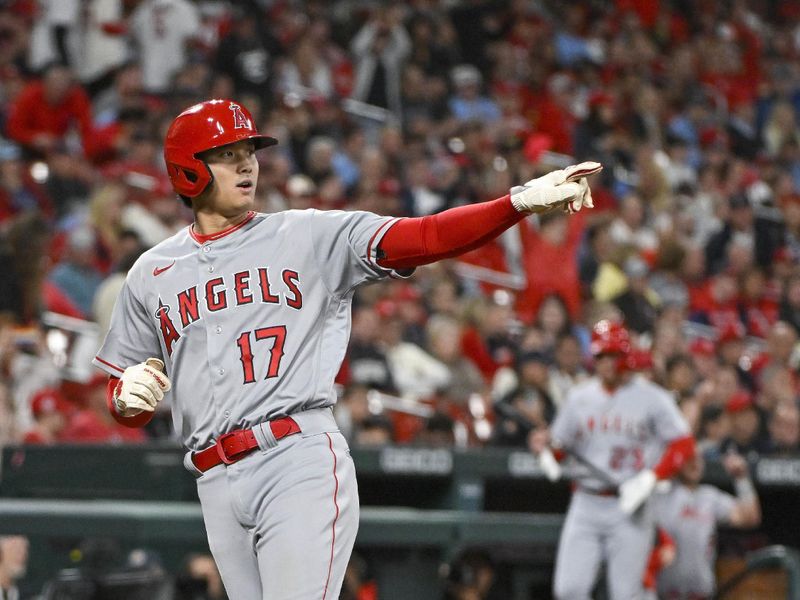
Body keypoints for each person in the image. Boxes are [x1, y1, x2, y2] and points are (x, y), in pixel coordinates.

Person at [91, 98, 601, 599]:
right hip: (213, 478)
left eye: (250, 150)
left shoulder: (309, 234)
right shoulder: (150, 273)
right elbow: (123, 399)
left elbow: (423, 236)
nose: (247, 162)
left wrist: (514, 203)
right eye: (227, 153)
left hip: (294, 459)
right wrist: (126, 397)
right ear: (188, 171)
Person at [530, 320, 694, 600]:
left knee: (625, 595)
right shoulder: (579, 397)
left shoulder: (651, 397)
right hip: (586, 501)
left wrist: (650, 478)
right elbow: (560, 447)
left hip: (629, 505)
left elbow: (684, 443)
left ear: (626, 356)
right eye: (601, 356)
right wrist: (544, 450)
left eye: (613, 355)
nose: (606, 363)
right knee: (569, 590)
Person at [648, 451, 761, 599]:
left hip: (701, 594)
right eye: (688, 459)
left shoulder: (709, 497)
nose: (694, 463)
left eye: (698, 459)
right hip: (663, 593)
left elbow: (750, 517)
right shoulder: (659, 495)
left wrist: (741, 479)